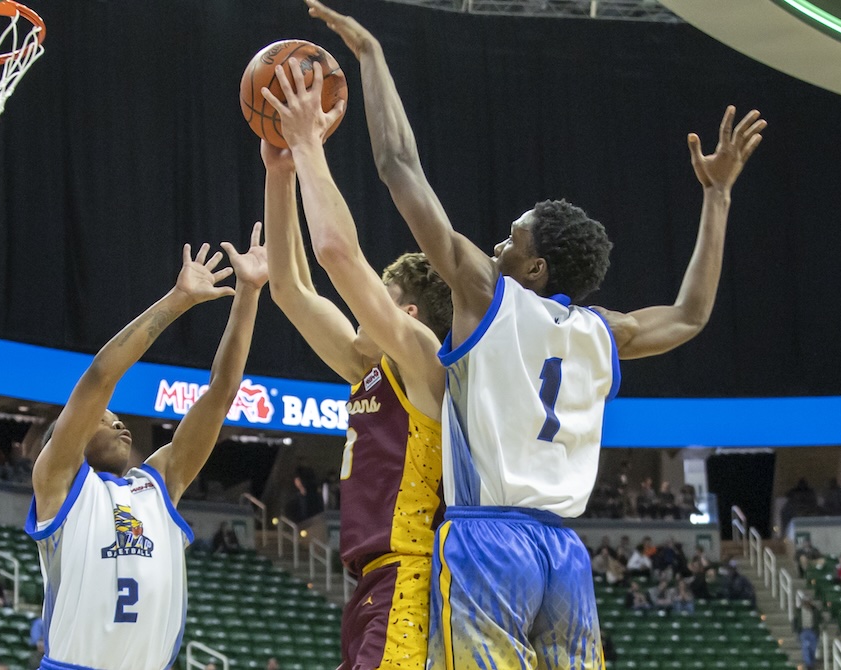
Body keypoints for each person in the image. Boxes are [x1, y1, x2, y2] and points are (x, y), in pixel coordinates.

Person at [305, 2, 764, 665]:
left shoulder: (486, 297)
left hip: (489, 542)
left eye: (511, 239)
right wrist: (716, 199)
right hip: (565, 558)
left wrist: (372, 57)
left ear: (536, 267)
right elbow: (690, 314)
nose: (496, 245)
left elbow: (399, 167)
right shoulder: (604, 332)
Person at [259, 59, 450, 667]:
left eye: (380, 298)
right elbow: (291, 289)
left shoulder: (425, 366)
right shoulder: (367, 368)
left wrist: (311, 142)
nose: (360, 305)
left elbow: (337, 254)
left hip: (411, 576)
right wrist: (280, 172)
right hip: (372, 587)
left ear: (411, 314)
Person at [26, 236, 266, 670]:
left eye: (117, 418)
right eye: (103, 419)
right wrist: (178, 300)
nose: (119, 423)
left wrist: (248, 293)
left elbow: (221, 392)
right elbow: (100, 377)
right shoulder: (58, 485)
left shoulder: (157, 484)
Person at [794, 593, 820, 670]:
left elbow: (820, 619)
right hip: (803, 631)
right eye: (805, 601)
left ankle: (812, 662)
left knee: (812, 648)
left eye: (808, 601)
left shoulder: (815, 610)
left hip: (812, 631)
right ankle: (808, 664)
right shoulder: (798, 611)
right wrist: (796, 630)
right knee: (805, 647)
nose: (807, 603)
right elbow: (795, 621)